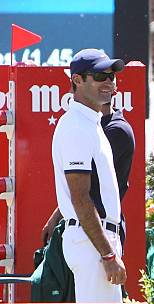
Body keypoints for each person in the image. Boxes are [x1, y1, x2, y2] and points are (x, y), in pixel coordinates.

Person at [51, 49, 127, 303]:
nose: (109, 81)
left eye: (112, 75)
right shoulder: (76, 127)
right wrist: (107, 255)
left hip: (95, 241)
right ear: (77, 80)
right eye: (99, 75)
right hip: (92, 243)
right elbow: (81, 198)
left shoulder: (89, 122)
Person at [42, 100, 135, 246]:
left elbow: (86, 189)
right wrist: (57, 217)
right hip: (81, 227)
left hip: (100, 230)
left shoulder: (117, 130)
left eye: (110, 78)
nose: (105, 82)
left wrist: (108, 256)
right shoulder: (89, 124)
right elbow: (80, 185)